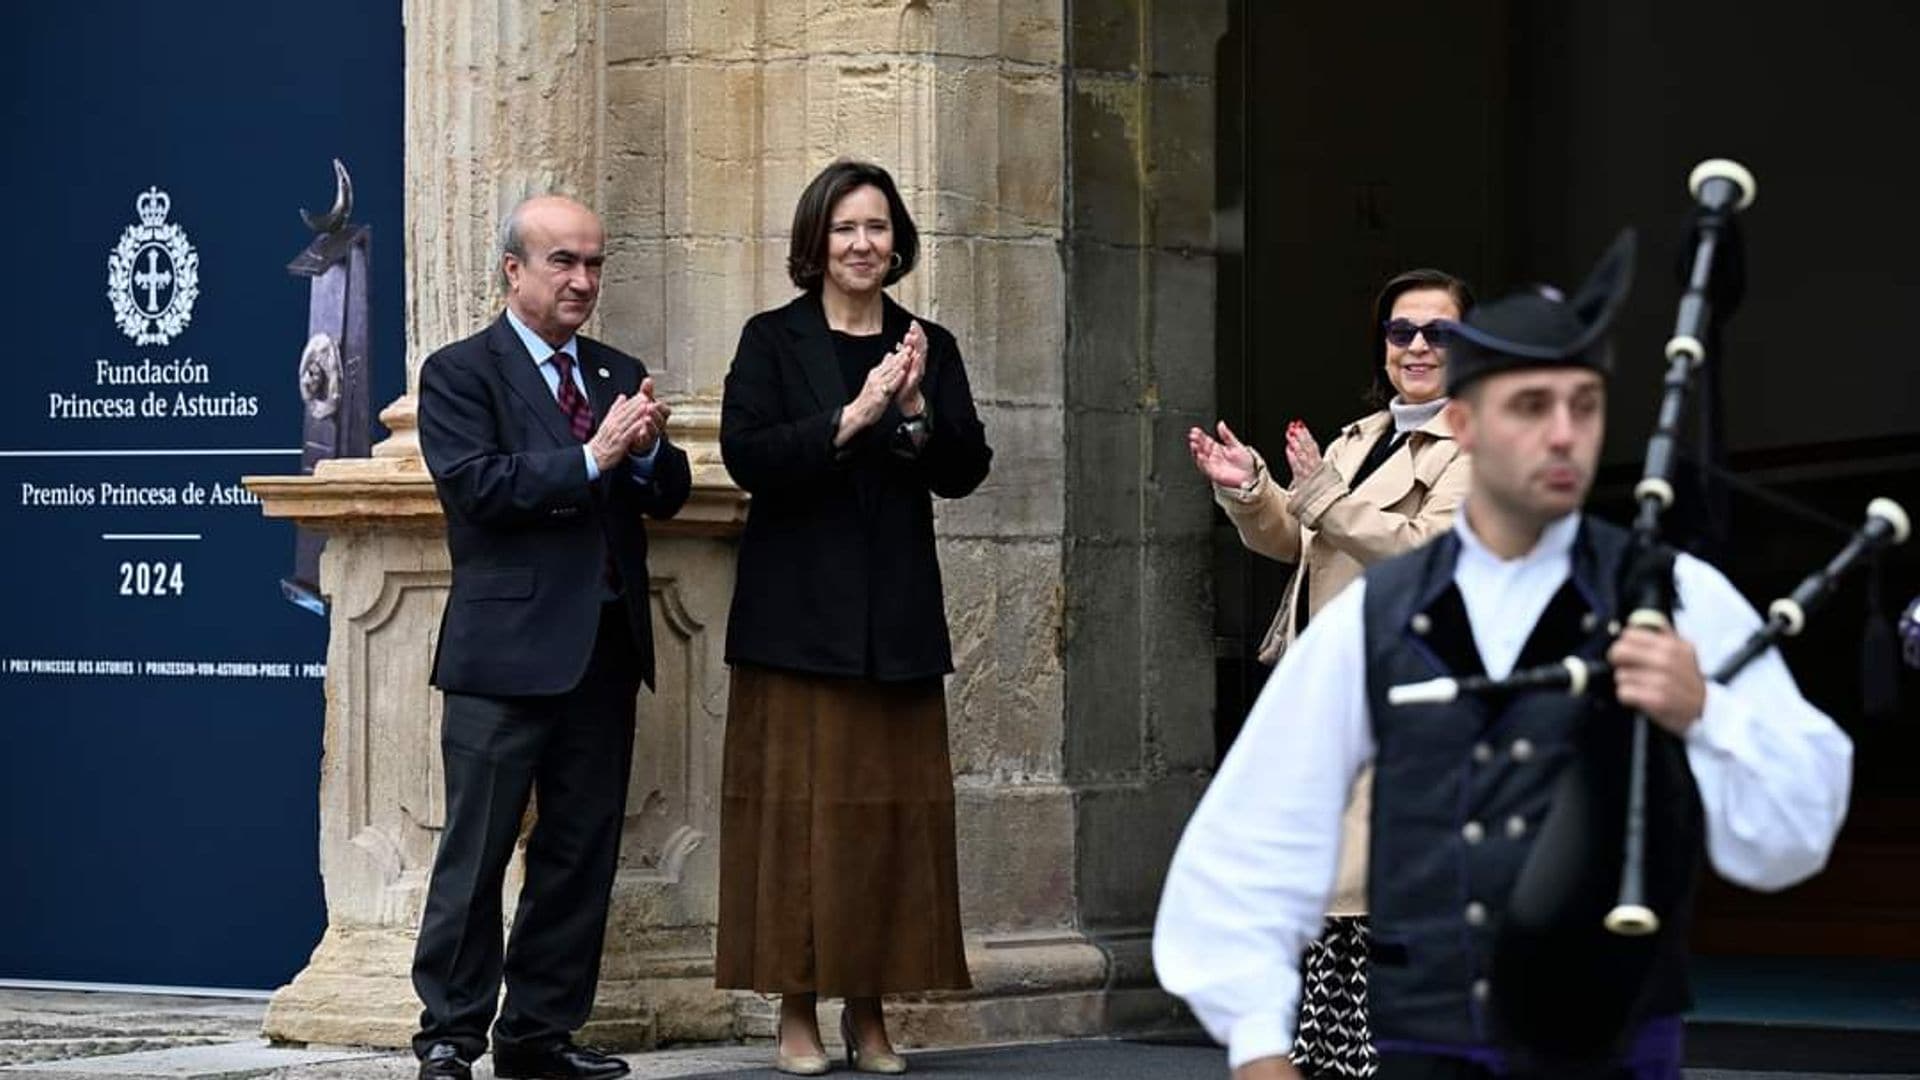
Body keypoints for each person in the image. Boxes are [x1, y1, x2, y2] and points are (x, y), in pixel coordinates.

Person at [1153, 233, 1853, 1080]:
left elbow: (1795, 828)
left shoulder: (1676, 595)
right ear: (1466, 421)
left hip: (1615, 1043)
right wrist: (1259, 1047)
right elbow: (1251, 837)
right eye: (1529, 406)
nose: (1562, 434)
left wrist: (1706, 711)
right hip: (1423, 1037)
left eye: (1583, 406)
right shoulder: (1371, 619)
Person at [714, 159, 992, 1075]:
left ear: (897, 241)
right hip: (795, 622)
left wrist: (910, 411)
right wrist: (852, 414)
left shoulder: (928, 342)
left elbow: (963, 468)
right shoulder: (771, 339)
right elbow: (748, 454)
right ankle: (795, 1009)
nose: (862, 244)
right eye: (844, 228)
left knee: (885, 822)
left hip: (895, 623)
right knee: (794, 822)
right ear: (815, 243)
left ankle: (870, 1013)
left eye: (877, 227)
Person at [411, 194, 692, 1080]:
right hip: (504, 657)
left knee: (578, 856)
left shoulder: (616, 372)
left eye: (595, 264)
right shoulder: (461, 373)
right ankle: (451, 1037)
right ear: (513, 271)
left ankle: (538, 1038)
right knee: (477, 852)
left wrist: (644, 451)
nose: (583, 281)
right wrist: (591, 459)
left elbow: (668, 489)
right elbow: (477, 487)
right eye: (564, 262)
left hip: (603, 656)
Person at [1186, 269, 1476, 1078]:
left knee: (1378, 900)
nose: (1417, 346)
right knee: (1331, 903)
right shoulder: (1358, 436)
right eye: (1400, 330)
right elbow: (1303, 541)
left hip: (1408, 694)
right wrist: (1252, 490)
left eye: (1439, 332)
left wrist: (1320, 496)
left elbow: (1427, 552)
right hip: (1327, 693)